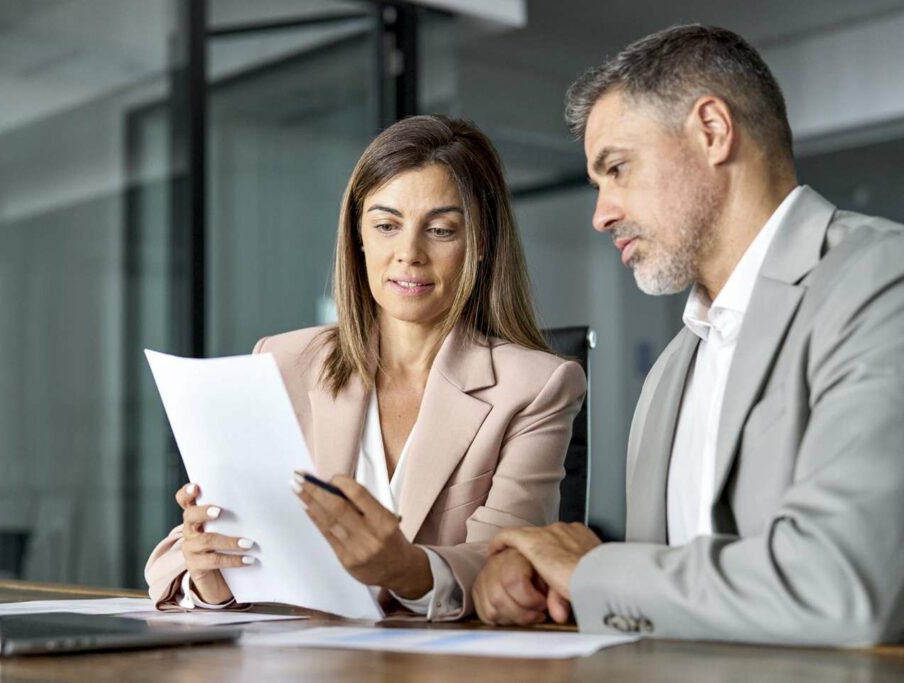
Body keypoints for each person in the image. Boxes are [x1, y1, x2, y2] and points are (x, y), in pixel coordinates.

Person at [473, 24, 904, 645]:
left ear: (712, 131)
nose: (602, 214)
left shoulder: (880, 280)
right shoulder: (672, 372)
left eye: (617, 169)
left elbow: (841, 584)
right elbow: (657, 598)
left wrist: (591, 570)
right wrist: (546, 582)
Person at [145, 115, 586, 620]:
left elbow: (505, 566)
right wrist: (209, 573)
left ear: (481, 243)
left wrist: (407, 570)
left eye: (441, 230)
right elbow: (173, 562)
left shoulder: (536, 386)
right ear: (358, 236)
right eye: (386, 226)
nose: (409, 255)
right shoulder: (282, 361)